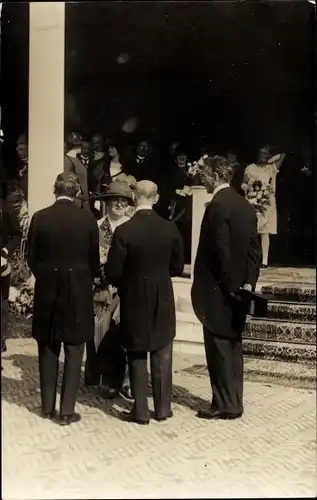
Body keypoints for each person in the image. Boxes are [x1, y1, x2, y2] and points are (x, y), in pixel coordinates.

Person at [106, 180, 184, 424]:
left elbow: (113, 271)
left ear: (134, 196)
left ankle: (140, 411)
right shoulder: (170, 229)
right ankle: (162, 409)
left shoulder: (125, 231)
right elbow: (177, 268)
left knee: (137, 352)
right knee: (162, 350)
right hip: (162, 295)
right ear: (156, 197)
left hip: (134, 296)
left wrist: (129, 282)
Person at [191, 156, 261, 420]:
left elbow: (220, 251)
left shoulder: (218, 205)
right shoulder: (245, 205)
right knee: (233, 345)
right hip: (238, 289)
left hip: (219, 291)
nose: (202, 179)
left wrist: (229, 287)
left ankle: (223, 403)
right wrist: (247, 284)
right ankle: (234, 400)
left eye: (204, 175)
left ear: (214, 176)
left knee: (219, 345)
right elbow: (255, 251)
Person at [27, 173, 100, 425]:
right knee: (74, 347)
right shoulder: (88, 219)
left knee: (47, 346)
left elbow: (31, 258)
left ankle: (47, 408)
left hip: (47, 289)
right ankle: (67, 410)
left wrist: (46, 276)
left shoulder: (40, 217)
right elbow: (93, 260)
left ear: (54, 190)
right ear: (77, 191)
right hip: (78, 290)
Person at [84, 181, 134, 398]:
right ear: (106, 203)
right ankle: (99, 376)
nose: (118, 204)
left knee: (121, 335)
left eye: (123, 200)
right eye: (114, 200)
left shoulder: (132, 226)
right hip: (102, 288)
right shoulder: (97, 226)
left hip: (125, 290)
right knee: (99, 332)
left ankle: (120, 379)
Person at [243, 146, 286, 268]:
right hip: (253, 200)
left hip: (267, 202)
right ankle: (250, 257)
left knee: (265, 231)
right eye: (261, 153)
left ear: (269, 155)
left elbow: (283, 154)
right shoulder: (250, 168)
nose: (263, 155)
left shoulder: (271, 168)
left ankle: (264, 261)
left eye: (265, 154)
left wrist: (269, 161)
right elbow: (244, 182)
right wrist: (245, 187)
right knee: (252, 229)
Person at [1, 181, 22, 355]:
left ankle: (1, 338)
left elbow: (17, 234)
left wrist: (6, 250)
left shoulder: (6, 209)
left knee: (2, 302)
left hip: (1, 262)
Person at [64, 138, 90, 210]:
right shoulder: (68, 160)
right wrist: (77, 193)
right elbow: (66, 178)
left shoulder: (75, 159)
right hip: (76, 200)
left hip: (82, 199)